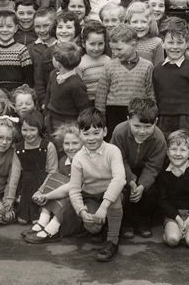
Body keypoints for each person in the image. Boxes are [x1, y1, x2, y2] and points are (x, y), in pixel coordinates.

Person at [69, 108, 126, 262]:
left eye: (96, 132)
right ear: (80, 134)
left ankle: (112, 240)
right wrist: (81, 211)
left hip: (111, 195)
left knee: (114, 200)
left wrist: (104, 206)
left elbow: (120, 179)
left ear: (105, 131)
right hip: (91, 195)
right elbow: (74, 189)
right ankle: (105, 224)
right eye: (86, 134)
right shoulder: (78, 158)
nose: (91, 138)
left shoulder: (113, 151)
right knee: (92, 227)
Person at [110, 97, 166, 239]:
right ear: (128, 119)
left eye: (148, 127)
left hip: (146, 170)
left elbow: (154, 166)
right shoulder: (119, 132)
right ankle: (127, 221)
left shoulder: (159, 138)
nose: (142, 131)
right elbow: (118, 158)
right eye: (137, 126)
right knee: (123, 189)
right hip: (123, 169)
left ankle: (144, 220)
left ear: (156, 121)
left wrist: (142, 185)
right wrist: (130, 180)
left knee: (151, 191)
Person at [23, 124, 84, 243]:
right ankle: (43, 221)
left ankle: (52, 230)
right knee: (55, 179)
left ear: (83, 144)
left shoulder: (84, 162)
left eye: (75, 143)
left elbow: (71, 187)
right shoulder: (63, 161)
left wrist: (46, 196)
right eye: (67, 143)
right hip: (62, 197)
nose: (70, 148)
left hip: (77, 204)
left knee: (68, 194)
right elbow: (52, 178)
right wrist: (41, 191)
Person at [152, 18, 189, 137]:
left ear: (186, 44)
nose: (175, 47)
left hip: (187, 122)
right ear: (163, 43)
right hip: (163, 121)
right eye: (170, 42)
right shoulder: (157, 69)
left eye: (180, 43)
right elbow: (156, 98)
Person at [95, 24, 155, 139]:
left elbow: (151, 93)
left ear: (134, 45)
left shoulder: (147, 66)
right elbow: (101, 95)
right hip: (113, 113)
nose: (115, 52)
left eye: (119, 49)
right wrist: (100, 119)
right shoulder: (109, 66)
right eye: (112, 49)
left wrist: (151, 114)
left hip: (138, 114)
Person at [157, 130, 189, 249]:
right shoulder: (164, 173)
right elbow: (162, 200)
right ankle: (176, 233)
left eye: (183, 150)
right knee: (173, 240)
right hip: (173, 215)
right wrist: (178, 219)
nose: (177, 153)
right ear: (167, 152)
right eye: (174, 149)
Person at [5, 110, 58, 224]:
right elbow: (15, 174)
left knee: (36, 220)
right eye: (25, 130)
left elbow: (53, 172)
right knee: (22, 220)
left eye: (32, 130)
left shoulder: (48, 146)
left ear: (40, 129)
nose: (28, 134)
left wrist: (41, 191)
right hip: (26, 186)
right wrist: (10, 197)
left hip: (43, 185)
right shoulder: (18, 148)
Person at [45, 42, 90, 152]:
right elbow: (49, 95)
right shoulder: (53, 74)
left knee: (65, 148)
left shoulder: (76, 84)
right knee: (53, 146)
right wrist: (46, 113)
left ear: (58, 63)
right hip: (52, 118)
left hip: (69, 123)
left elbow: (84, 109)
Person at [35, 11, 82, 107]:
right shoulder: (48, 53)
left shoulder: (80, 51)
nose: (64, 31)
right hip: (52, 102)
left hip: (75, 102)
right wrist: (43, 101)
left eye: (69, 27)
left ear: (76, 30)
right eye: (60, 27)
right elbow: (39, 79)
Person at [0, 10, 33, 91]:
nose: (5, 30)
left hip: (17, 95)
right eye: (0, 26)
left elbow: (28, 78)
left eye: (9, 26)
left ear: (16, 28)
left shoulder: (22, 50)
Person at [76, 21, 110, 102]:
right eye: (92, 44)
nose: (96, 48)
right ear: (84, 44)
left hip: (106, 101)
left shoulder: (108, 60)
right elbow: (78, 88)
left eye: (100, 44)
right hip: (87, 102)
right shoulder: (80, 63)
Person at [124, 0, 164, 67]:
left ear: (150, 23)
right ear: (128, 23)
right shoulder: (122, 41)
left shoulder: (157, 43)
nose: (139, 26)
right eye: (135, 22)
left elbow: (159, 70)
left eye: (144, 22)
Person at [28, 7, 56, 77]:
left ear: (55, 24)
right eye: (37, 27)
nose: (42, 30)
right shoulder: (30, 49)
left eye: (46, 26)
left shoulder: (62, 45)